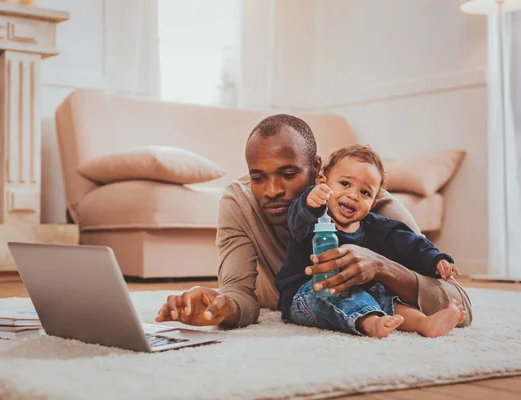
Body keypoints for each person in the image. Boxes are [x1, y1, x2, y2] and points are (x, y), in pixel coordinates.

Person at [155, 114, 472, 329]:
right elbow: (241, 295)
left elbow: (460, 302)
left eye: (288, 174)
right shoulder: (240, 202)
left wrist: (382, 266)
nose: (273, 191)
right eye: (258, 177)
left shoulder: (373, 207)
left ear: (317, 169)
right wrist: (219, 307)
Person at [275, 144, 465, 338]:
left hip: (362, 292)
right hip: (306, 293)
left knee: (387, 298)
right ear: (323, 182)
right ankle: (371, 323)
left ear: (374, 202)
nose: (353, 195)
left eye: (365, 192)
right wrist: (310, 199)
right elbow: (296, 219)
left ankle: (424, 323)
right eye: (345, 184)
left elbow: (411, 244)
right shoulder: (312, 217)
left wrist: (435, 259)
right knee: (338, 293)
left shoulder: (378, 228)